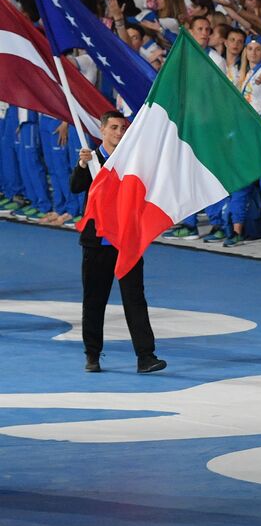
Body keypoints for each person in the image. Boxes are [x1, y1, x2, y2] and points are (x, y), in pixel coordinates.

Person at [69, 112, 165, 374]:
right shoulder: (92, 161)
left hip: (126, 242)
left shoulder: (131, 162)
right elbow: (76, 187)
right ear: (102, 130)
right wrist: (81, 165)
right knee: (94, 300)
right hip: (97, 243)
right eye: (113, 127)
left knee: (135, 299)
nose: (119, 132)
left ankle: (146, 357)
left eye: (122, 128)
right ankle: (92, 355)